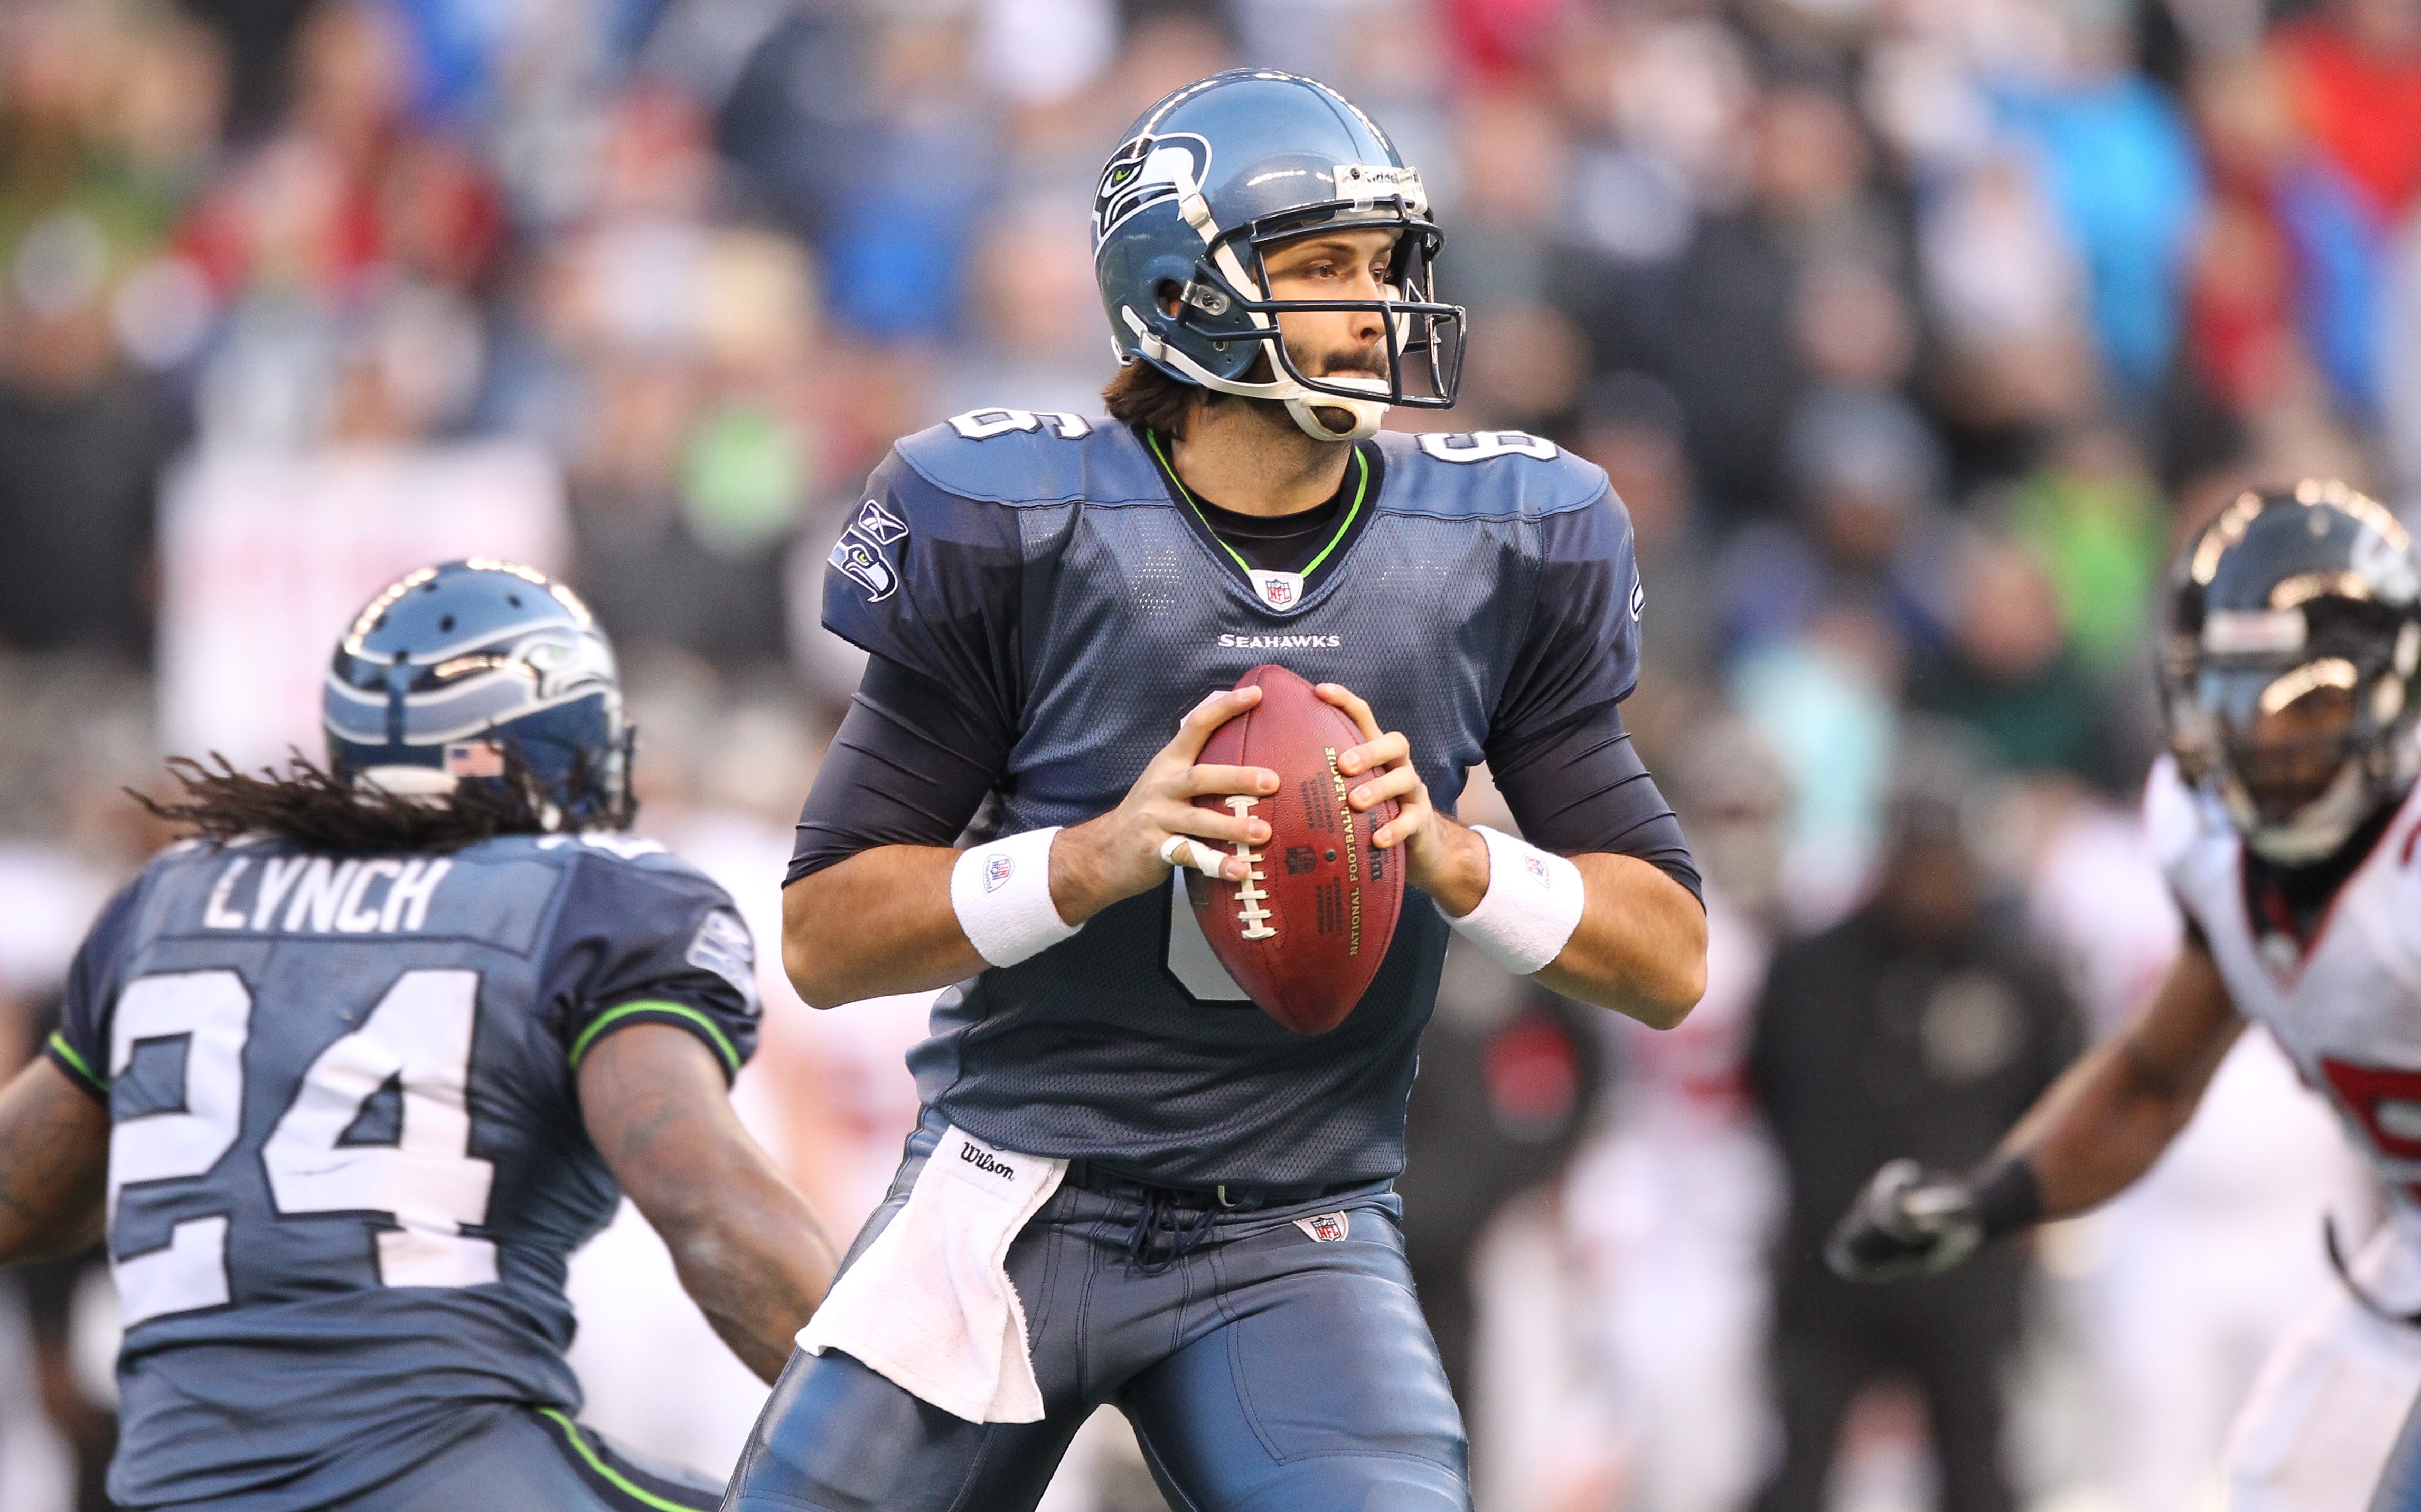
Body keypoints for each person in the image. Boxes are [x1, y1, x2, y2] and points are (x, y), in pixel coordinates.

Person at [734, 69, 1709, 1512]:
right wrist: (1090, 861)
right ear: (1181, 294)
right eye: (1322, 267)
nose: (1374, 306)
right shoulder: (1018, 523)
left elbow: (1670, 956)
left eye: (1385, 266)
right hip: (1014, 1195)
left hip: (1297, 1231)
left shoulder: (1501, 539)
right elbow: (825, 935)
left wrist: (1454, 860)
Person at [0, 559, 837, 1511]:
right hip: (449, 1477)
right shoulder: (590, 901)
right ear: (557, 741)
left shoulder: (173, 901)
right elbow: (713, 1220)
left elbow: (25, 1193)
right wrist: (913, 1437)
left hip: (179, 1491)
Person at [1830, 480, 2421, 1508]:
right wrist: (1992, 1198)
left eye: (2307, 700)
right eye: (2237, 696)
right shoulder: (2211, 847)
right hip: (2403, 1259)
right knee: (2282, 1481)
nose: (2268, 739)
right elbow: (2153, 1077)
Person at [1748, 732, 2081, 1512]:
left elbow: (2061, 1097)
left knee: (1977, 1475)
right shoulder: (1811, 970)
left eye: (1944, 853)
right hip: (1831, 1262)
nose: (1929, 875)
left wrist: (2015, 1220)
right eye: (1915, 850)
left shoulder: (2019, 977)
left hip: (1964, 1272)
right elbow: (1772, 1091)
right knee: (1797, 1474)